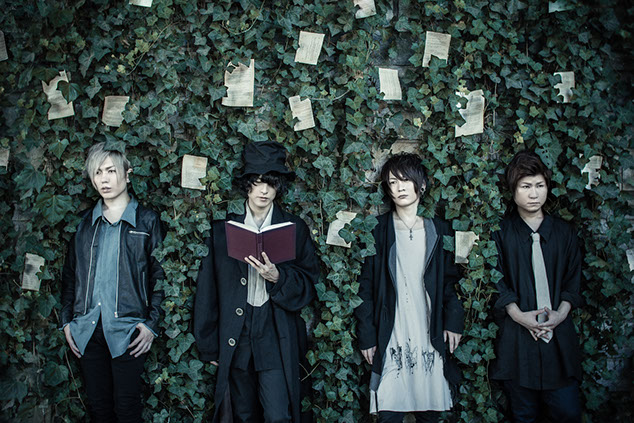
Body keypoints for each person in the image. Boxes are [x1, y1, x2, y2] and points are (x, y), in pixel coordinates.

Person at [194, 140, 319, 423]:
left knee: (278, 415)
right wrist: (208, 343)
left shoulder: (294, 228)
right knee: (243, 415)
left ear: (278, 186)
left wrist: (278, 277)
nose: (264, 190)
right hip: (237, 333)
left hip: (274, 332)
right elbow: (208, 288)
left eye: (271, 183)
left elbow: (309, 284)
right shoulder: (223, 228)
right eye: (258, 182)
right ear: (247, 183)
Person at [354, 152, 464, 423]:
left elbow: (451, 281)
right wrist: (367, 335)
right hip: (392, 331)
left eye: (405, 180)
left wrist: (454, 321)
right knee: (389, 413)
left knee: (429, 413)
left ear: (422, 184)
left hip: (429, 331)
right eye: (393, 182)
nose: (399, 187)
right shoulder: (378, 230)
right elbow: (364, 287)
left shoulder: (440, 230)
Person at [60, 142, 165, 422]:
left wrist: (151, 324)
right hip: (87, 329)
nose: (104, 179)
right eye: (97, 172)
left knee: (127, 409)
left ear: (127, 174)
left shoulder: (147, 221)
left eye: (110, 171)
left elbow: (160, 277)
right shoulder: (84, 224)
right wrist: (67, 322)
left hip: (128, 330)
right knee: (98, 410)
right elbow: (70, 276)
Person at [491, 150, 583, 423]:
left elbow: (573, 279)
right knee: (523, 414)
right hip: (518, 342)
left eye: (539, 185)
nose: (534, 194)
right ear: (513, 190)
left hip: (558, 340)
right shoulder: (501, 233)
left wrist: (560, 314)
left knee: (567, 412)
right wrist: (519, 315)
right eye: (526, 186)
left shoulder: (564, 232)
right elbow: (497, 280)